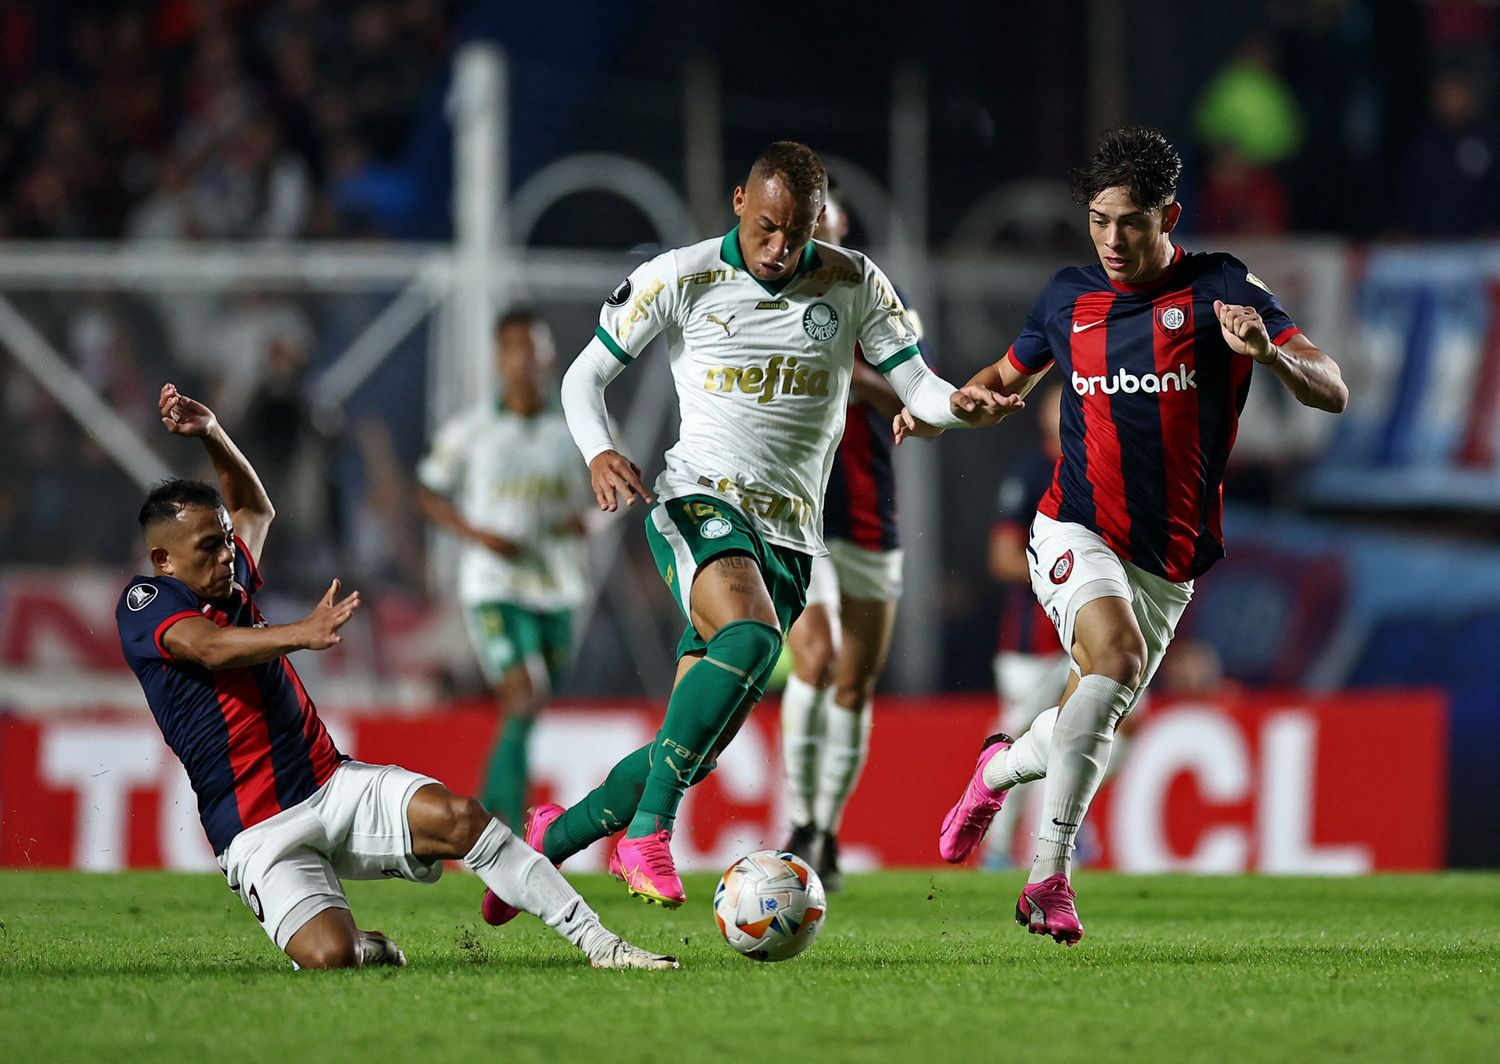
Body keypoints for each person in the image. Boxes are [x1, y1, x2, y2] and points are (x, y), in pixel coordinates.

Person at [482, 140, 1015, 920]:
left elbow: (917, 385)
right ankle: (648, 836)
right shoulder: (682, 275)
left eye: (795, 234)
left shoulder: (852, 279)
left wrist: (955, 406)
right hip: (697, 501)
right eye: (766, 227)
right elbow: (584, 375)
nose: (779, 248)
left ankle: (546, 845)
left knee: (689, 749)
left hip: (792, 537)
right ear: (738, 201)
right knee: (757, 641)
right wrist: (599, 450)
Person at [898, 127, 1348, 945]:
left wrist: (1273, 360)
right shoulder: (1068, 297)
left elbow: (1334, 390)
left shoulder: (1222, 289)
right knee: (1115, 661)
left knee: (1094, 710)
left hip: (1169, 562)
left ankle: (995, 770)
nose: (1111, 239)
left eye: (1130, 222)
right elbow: (1005, 377)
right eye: (1099, 220)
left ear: (1169, 214)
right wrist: (956, 405)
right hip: (1073, 524)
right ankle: (1048, 881)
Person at [117, 382, 677, 971]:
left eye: (226, 542)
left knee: (463, 818)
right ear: (163, 559)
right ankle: (361, 944)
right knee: (332, 957)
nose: (227, 555)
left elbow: (256, 510)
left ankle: (603, 946)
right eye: (209, 546)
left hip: (329, 782)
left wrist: (211, 434)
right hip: (254, 828)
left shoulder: (228, 581)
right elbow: (207, 649)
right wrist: (299, 634)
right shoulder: (145, 602)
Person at [779, 179, 911, 892]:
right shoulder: (767, 304)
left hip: (869, 515)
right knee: (819, 655)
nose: (811, 247)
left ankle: (826, 828)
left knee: (855, 685)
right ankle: (799, 818)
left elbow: (910, 396)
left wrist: (850, 374)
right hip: (799, 509)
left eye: (820, 232)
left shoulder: (877, 303)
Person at [416, 310, 592, 830]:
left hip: (558, 586)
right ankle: (500, 825)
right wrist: (477, 535)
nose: (523, 359)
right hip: (494, 586)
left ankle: (487, 823)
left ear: (548, 355)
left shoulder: (576, 429)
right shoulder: (470, 431)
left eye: (532, 347)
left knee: (528, 707)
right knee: (524, 692)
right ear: (499, 358)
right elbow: (428, 493)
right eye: (513, 347)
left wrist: (592, 523)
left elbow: (616, 491)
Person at [982, 382, 1070, 870]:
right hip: (1031, 643)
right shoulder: (1033, 473)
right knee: (1019, 739)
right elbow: (1002, 558)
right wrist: (1070, 574)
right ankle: (997, 850)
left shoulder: (1098, 467)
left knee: (1124, 725)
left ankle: (1067, 824)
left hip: (1084, 635)